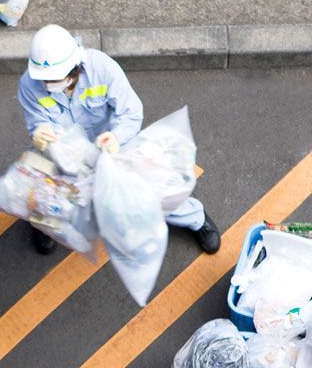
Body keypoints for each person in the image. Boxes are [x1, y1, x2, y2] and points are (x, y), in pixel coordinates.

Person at [18, 24, 222, 257]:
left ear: (75, 68)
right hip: (66, 154)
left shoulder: (102, 68)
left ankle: (195, 219)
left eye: (54, 79)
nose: (47, 85)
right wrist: (41, 133)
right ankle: (46, 224)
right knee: (40, 191)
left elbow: (131, 112)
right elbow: (37, 122)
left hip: (113, 148)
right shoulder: (29, 84)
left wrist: (116, 137)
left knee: (151, 193)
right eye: (44, 80)